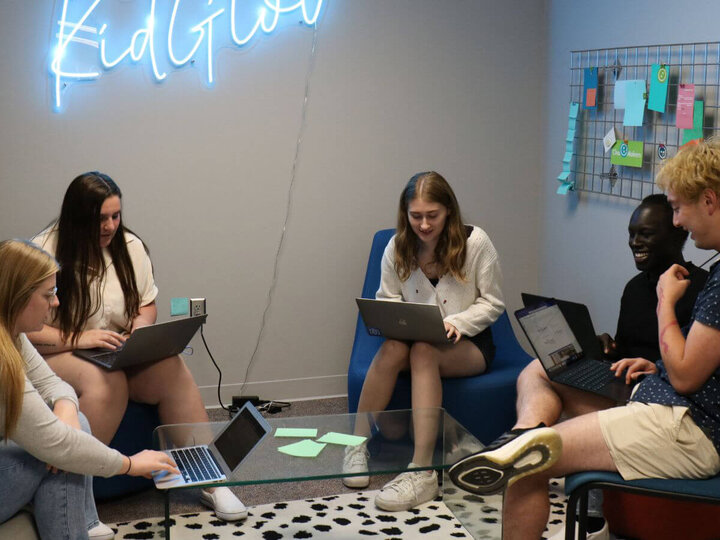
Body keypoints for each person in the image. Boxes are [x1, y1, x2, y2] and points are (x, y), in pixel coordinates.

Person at [449, 139, 720, 540]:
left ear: (710, 201)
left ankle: (519, 443)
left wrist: (665, 302)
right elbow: (693, 367)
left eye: (679, 208)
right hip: (669, 405)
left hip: (689, 427)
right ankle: (523, 433)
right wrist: (656, 366)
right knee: (539, 390)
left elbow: (686, 378)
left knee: (529, 463)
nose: (678, 221)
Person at [27, 172, 245, 522]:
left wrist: (140, 329)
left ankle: (210, 478)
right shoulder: (43, 252)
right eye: (101, 219)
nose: (111, 226)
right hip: (56, 352)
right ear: (78, 217)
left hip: (113, 349)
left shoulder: (130, 247)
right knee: (106, 382)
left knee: (172, 368)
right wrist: (79, 338)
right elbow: (20, 331)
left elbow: (146, 304)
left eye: (116, 216)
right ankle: (76, 499)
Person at [344, 171, 505, 511]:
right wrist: (396, 318)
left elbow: (492, 303)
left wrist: (457, 323)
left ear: (449, 210)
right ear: (406, 214)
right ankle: (355, 443)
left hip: (470, 345)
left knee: (423, 353)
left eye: (432, 215)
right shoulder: (398, 246)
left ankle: (422, 470)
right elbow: (387, 298)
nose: (424, 224)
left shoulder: (476, 244)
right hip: (414, 340)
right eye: (416, 216)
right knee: (394, 349)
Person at [0, 239, 180, 540]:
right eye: (48, 295)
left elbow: (53, 384)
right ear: (19, 297)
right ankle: (83, 526)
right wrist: (132, 464)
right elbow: (57, 445)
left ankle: (84, 526)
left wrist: (67, 411)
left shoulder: (11, 334)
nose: (55, 302)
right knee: (66, 453)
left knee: (75, 429)